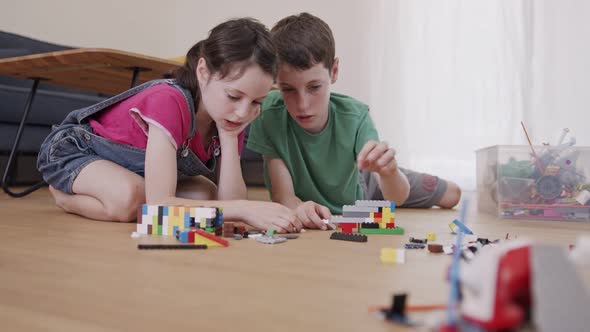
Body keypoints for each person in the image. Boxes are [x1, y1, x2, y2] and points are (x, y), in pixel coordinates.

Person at [37, 18, 299, 233]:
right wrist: (244, 209)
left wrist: (230, 137)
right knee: (131, 200)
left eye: (257, 101)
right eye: (233, 96)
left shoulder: (229, 117)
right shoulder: (169, 101)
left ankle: (119, 192)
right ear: (203, 72)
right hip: (76, 151)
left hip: (133, 173)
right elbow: (159, 207)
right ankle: (64, 197)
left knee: (206, 196)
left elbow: (226, 203)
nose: (243, 112)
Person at [247, 13, 461, 229]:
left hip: (366, 183)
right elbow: (284, 197)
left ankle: (392, 172)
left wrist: (389, 173)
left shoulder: (355, 116)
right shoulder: (267, 112)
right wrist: (297, 208)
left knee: (452, 194)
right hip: (347, 198)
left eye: (314, 87)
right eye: (288, 89)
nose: (303, 105)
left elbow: (396, 199)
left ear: (334, 71)